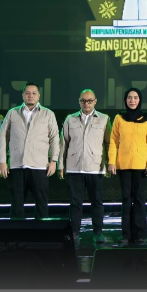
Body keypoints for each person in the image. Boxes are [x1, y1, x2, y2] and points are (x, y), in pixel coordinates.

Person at [0, 82, 59, 219]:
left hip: (40, 166)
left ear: (39, 96)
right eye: (27, 93)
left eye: (34, 93)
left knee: (42, 204)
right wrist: (2, 161)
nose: (30, 95)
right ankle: (16, 232)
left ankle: (42, 232)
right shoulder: (12, 113)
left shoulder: (48, 114)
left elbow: (54, 138)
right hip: (17, 165)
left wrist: (54, 161)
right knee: (16, 205)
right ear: (23, 95)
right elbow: (2, 136)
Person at [59, 89, 112, 243]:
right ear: (79, 102)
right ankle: (74, 232)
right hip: (74, 168)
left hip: (96, 168)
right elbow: (63, 144)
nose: (86, 104)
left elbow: (109, 143)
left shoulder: (104, 119)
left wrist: (110, 163)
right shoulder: (70, 119)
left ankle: (98, 233)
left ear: (95, 101)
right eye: (83, 101)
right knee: (75, 203)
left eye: (89, 101)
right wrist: (61, 166)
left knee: (97, 202)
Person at [108, 88, 147, 245]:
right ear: (125, 100)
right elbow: (113, 141)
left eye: (135, 97)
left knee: (140, 199)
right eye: (129, 97)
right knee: (126, 199)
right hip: (123, 165)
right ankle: (126, 234)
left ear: (139, 100)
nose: (132, 100)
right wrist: (111, 161)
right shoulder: (119, 118)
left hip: (141, 165)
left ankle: (140, 233)